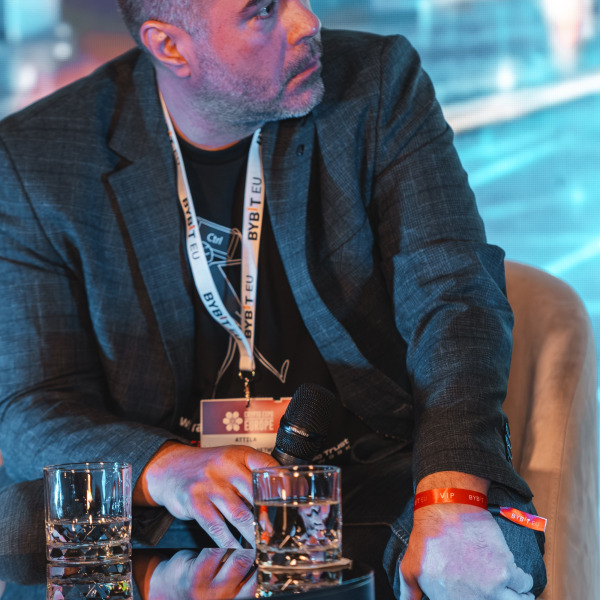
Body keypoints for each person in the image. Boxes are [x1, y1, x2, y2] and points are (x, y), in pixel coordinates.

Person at [0, 0, 546, 598]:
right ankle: (164, 577)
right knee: (20, 531)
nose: (307, 22)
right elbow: (32, 403)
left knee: (483, 558)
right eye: (263, 10)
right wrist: (165, 467)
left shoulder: (376, 82)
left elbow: (454, 300)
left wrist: (450, 497)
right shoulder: (39, 158)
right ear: (170, 46)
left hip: (362, 471)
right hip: (178, 495)